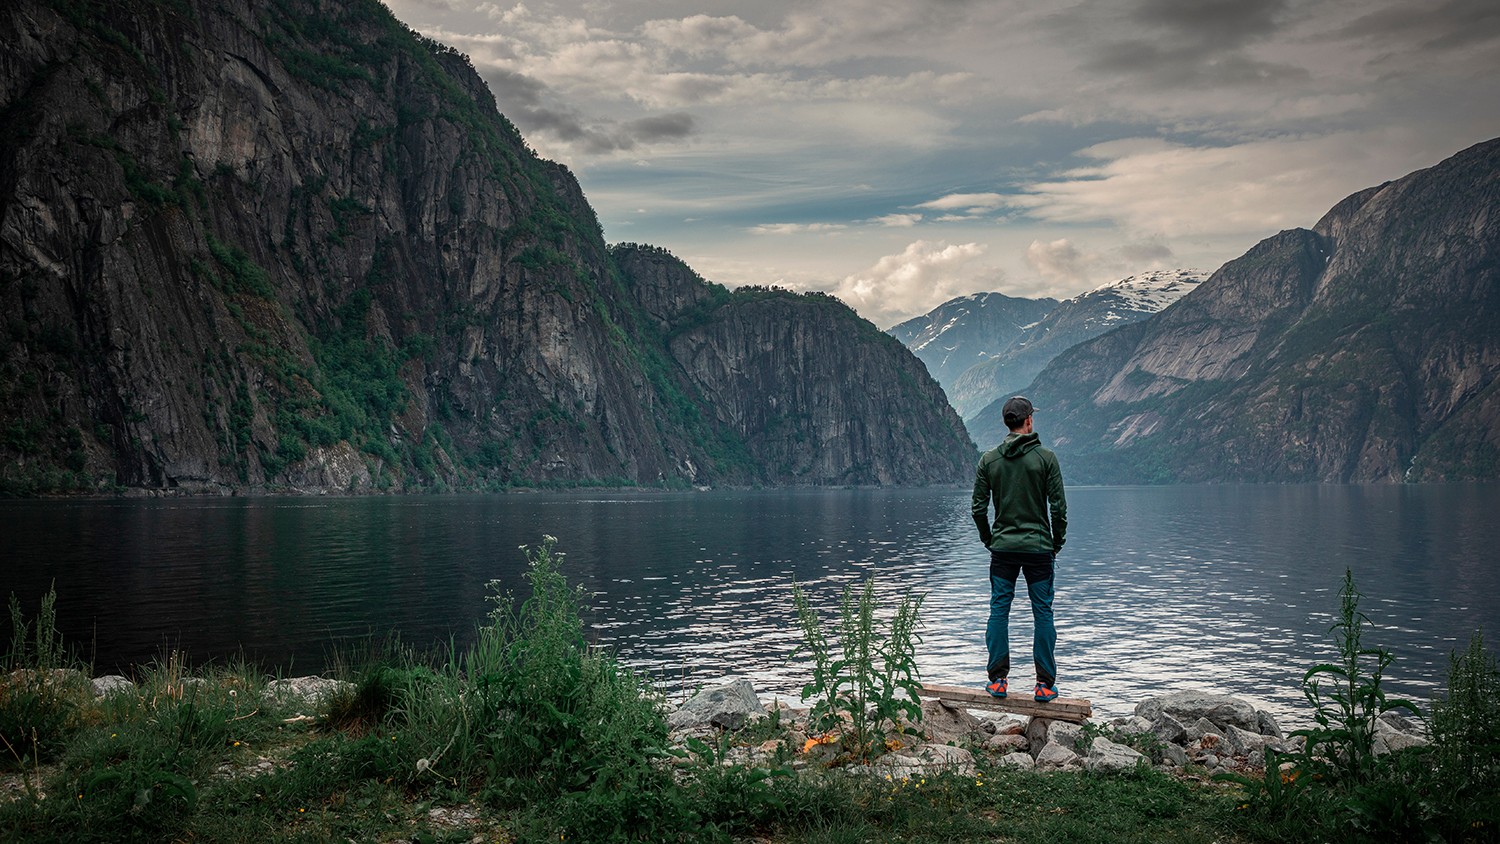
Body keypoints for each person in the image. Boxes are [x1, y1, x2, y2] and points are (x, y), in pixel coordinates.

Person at [971, 395, 1067, 703]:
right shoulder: (1046, 459)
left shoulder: (989, 461)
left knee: (999, 609)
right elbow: (1059, 510)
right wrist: (1056, 542)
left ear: (1006, 423)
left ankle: (998, 681)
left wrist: (990, 539)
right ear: (1028, 421)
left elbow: (977, 509)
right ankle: (1044, 685)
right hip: (1039, 548)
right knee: (1043, 613)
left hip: (1003, 549)